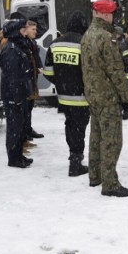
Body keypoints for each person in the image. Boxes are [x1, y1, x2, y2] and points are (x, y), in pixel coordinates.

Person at [81, 0, 128, 197]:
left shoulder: (87, 35)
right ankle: (110, 184)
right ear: (102, 14)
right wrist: (125, 96)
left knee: (96, 136)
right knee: (112, 140)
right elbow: (116, 70)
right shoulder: (106, 37)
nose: (112, 17)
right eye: (110, 14)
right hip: (108, 97)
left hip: (93, 95)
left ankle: (95, 176)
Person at [44, 10, 90, 177]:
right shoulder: (84, 44)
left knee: (70, 127)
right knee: (80, 129)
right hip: (82, 98)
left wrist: (61, 84)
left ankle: (73, 157)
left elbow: (48, 71)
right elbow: (90, 72)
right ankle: (76, 163)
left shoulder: (55, 44)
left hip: (63, 97)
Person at [0, 17, 34, 168]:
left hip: (19, 93)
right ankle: (14, 158)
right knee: (14, 127)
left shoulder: (18, 46)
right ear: (20, 31)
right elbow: (12, 77)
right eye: (25, 27)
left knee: (20, 127)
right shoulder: (11, 50)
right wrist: (16, 98)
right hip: (13, 96)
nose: (27, 29)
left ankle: (19, 155)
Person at [21, 19, 44, 142]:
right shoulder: (23, 43)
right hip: (27, 78)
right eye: (33, 29)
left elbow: (36, 57)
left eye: (36, 29)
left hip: (32, 77)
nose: (35, 31)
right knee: (25, 107)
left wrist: (39, 67)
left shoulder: (32, 42)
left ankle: (28, 129)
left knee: (30, 106)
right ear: (26, 29)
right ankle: (25, 131)